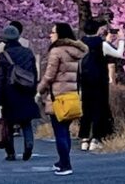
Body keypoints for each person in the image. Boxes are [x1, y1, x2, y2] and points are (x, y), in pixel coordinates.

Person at [37, 22, 88, 176]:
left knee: (60, 132)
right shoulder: (76, 52)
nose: (50, 35)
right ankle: (62, 161)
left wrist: (39, 90)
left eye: (53, 32)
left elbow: (49, 75)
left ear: (59, 34)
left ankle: (65, 164)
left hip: (58, 97)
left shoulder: (57, 51)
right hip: (72, 96)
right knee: (65, 130)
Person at [0, 25, 41, 161]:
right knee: (26, 122)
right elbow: (34, 73)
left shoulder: (3, 56)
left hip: (9, 93)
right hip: (26, 91)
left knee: (8, 123)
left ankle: (10, 153)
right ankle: (29, 145)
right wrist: (34, 90)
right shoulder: (28, 53)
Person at [77, 20, 125, 152]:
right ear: (97, 30)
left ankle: (84, 139)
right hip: (99, 81)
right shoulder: (102, 44)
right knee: (99, 108)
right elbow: (119, 54)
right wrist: (121, 39)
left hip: (84, 80)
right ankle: (96, 138)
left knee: (86, 109)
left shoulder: (79, 44)